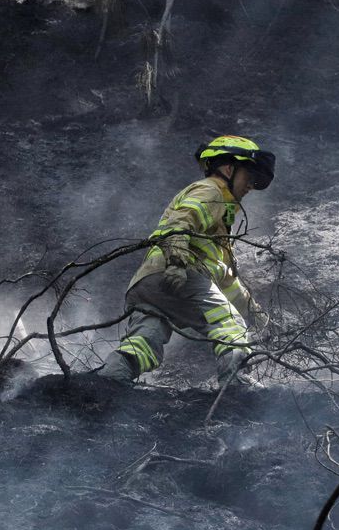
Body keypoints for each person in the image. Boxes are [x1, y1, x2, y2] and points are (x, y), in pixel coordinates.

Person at [91, 135, 274, 388]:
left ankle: (109, 382)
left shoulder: (220, 222)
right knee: (230, 325)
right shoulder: (212, 191)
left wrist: (256, 314)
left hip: (147, 285)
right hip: (181, 274)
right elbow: (179, 223)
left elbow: (226, 280)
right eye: (249, 176)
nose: (251, 186)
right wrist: (177, 263)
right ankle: (237, 387)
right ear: (228, 169)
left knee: (144, 341)